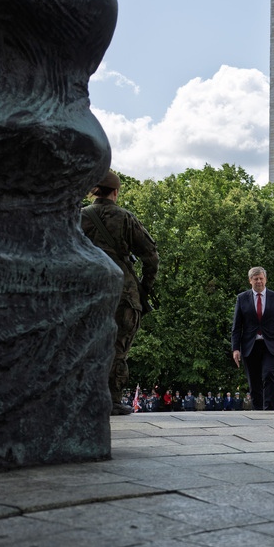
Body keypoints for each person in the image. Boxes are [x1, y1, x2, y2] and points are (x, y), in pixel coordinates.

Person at [81, 170, 159, 416]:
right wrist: (143, 289)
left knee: (85, 344)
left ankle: (83, 397)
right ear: (115, 192)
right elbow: (151, 257)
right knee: (118, 348)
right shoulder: (126, 218)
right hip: (123, 294)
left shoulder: (77, 217)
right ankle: (113, 400)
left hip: (86, 294)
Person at [231, 266, 274, 410]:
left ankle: (270, 410)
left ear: (265, 279)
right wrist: (235, 349)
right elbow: (237, 326)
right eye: (255, 279)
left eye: (261, 278)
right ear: (250, 281)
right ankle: (257, 411)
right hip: (250, 346)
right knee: (254, 380)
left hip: (271, 345)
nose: (259, 281)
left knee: (269, 374)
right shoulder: (242, 298)